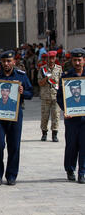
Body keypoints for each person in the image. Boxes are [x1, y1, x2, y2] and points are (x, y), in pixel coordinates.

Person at [0, 50, 33, 186]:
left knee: (14, 146)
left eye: (9, 61)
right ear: (1, 62)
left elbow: (31, 93)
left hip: (15, 115)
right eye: (4, 61)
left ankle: (11, 175)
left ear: (14, 62)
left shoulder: (21, 76)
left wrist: (24, 92)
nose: (6, 64)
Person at [57, 48, 85, 184]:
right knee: (72, 145)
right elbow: (59, 97)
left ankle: (82, 173)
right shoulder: (66, 77)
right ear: (72, 61)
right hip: (71, 119)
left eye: (80, 60)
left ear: (84, 60)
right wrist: (65, 109)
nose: (78, 62)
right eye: (75, 60)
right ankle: (70, 169)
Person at [37, 51, 62, 142]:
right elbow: (40, 83)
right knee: (44, 116)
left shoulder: (59, 69)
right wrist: (46, 78)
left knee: (56, 115)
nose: (51, 60)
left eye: (53, 58)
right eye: (49, 58)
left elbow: (62, 83)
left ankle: (54, 134)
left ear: (55, 58)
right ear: (47, 59)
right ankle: (44, 133)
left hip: (56, 96)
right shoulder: (42, 69)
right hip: (45, 96)